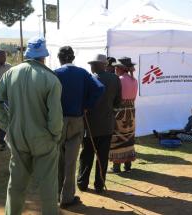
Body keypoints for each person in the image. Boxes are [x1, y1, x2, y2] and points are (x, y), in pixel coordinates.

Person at [0, 37, 63, 215]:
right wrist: (55, 135)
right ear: (44, 56)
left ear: (27, 54)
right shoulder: (51, 79)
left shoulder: (11, 73)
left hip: (17, 138)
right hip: (44, 139)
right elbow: (55, 117)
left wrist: (7, 125)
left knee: (15, 186)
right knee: (48, 188)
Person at [55, 46, 104, 208]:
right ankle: (67, 197)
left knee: (58, 159)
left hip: (58, 120)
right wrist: (86, 105)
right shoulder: (82, 73)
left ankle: (56, 194)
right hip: (76, 119)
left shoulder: (55, 73)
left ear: (60, 58)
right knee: (71, 161)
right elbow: (99, 88)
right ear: (73, 57)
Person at [77, 54, 121, 193]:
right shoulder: (114, 79)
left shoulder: (89, 79)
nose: (91, 66)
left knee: (87, 155)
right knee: (102, 156)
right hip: (107, 124)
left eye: (92, 64)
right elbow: (118, 102)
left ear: (99, 65)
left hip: (89, 125)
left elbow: (83, 102)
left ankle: (82, 183)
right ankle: (99, 184)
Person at [109, 57, 138, 173]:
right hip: (130, 112)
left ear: (120, 68)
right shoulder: (134, 80)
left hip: (119, 112)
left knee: (117, 137)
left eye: (116, 67)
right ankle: (128, 165)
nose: (115, 69)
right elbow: (133, 98)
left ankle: (116, 167)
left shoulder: (118, 80)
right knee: (128, 137)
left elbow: (114, 97)